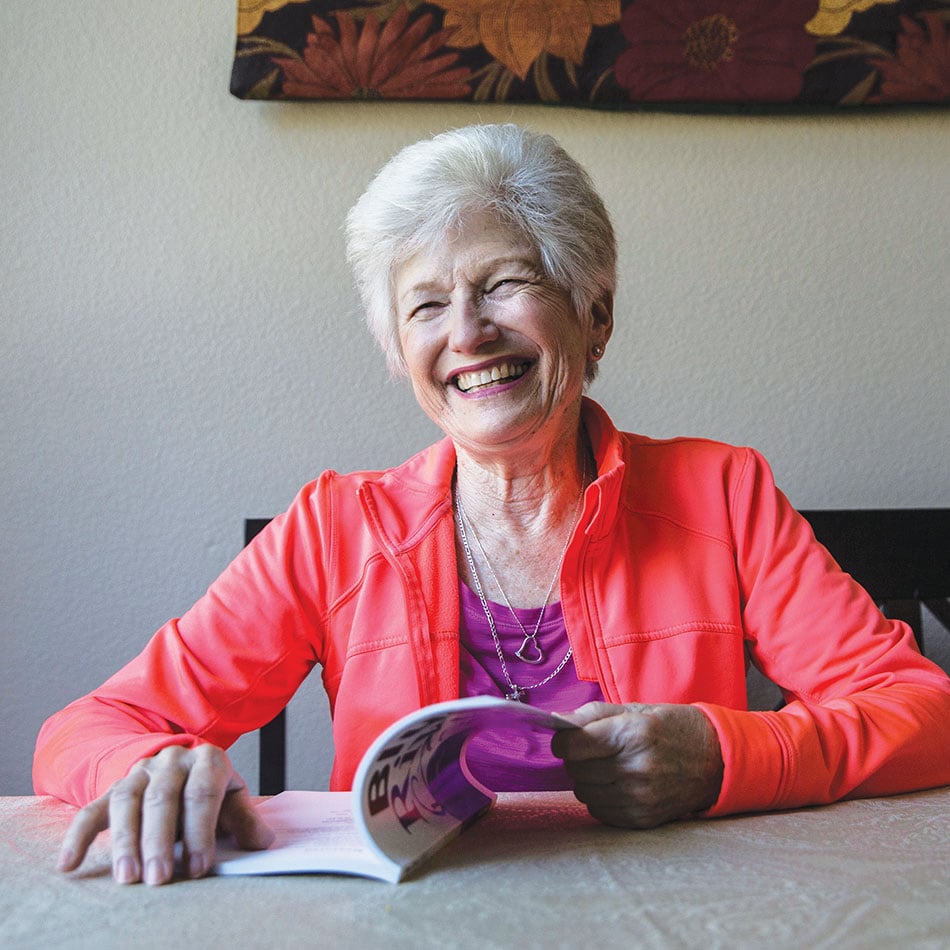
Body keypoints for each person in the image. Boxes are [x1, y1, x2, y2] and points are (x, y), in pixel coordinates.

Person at [35, 124, 950, 887]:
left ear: (594, 315)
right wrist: (150, 772)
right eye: (426, 305)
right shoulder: (334, 528)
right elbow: (84, 730)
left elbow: (922, 709)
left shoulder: (721, 493)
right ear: (399, 351)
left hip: (669, 915)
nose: (468, 332)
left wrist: (727, 755)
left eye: (505, 283)